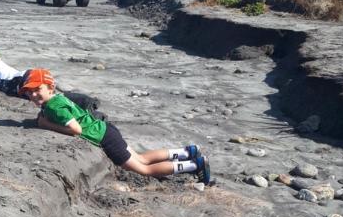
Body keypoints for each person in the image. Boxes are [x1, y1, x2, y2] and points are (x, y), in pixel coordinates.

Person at [19, 68, 211, 183]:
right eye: (29, 92)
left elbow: (75, 130)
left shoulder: (53, 108)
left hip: (103, 137)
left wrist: (46, 125)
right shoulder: (57, 99)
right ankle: (188, 151)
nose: (34, 95)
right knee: (142, 158)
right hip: (107, 129)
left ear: (50, 88)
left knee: (144, 169)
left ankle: (194, 164)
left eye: (38, 90)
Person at [0, 40, 101, 113]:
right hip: (28, 74)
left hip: (20, 82)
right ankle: (86, 101)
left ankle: (84, 104)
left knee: (48, 101)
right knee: (54, 94)